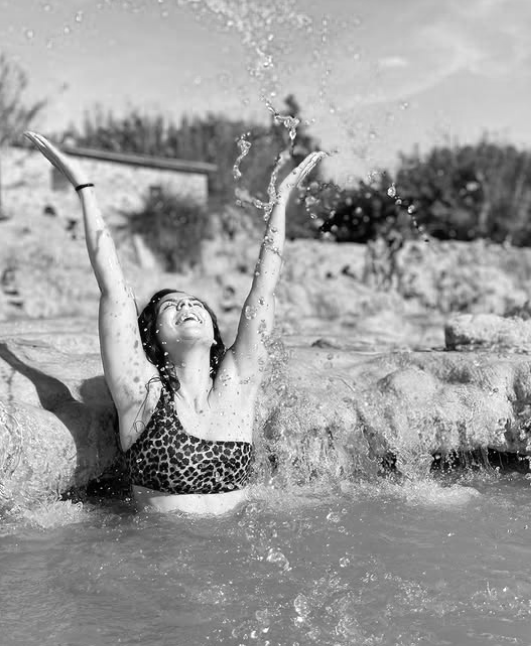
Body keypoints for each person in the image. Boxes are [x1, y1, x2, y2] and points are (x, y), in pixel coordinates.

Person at [24, 131, 324, 515]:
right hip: (161, 550)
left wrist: (280, 203)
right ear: (153, 335)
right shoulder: (142, 392)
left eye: (195, 304)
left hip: (236, 549)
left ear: (214, 333)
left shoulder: (237, 383)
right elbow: (115, 291)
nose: (186, 306)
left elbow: (264, 290)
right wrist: (85, 188)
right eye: (171, 307)